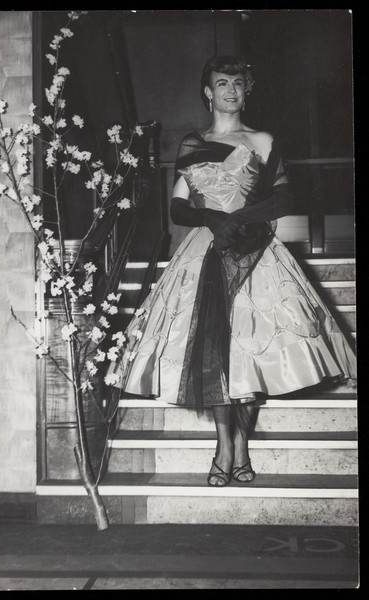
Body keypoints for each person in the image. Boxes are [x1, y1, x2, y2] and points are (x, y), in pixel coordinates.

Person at [105, 55, 356, 487]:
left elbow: (282, 198)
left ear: (246, 89)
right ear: (208, 91)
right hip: (207, 248)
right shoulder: (192, 143)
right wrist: (212, 219)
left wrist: (240, 220)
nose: (230, 91)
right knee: (214, 351)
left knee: (250, 351)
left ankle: (241, 447)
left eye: (238, 84)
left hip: (255, 246)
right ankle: (226, 445)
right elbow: (179, 205)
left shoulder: (261, 139)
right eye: (222, 84)